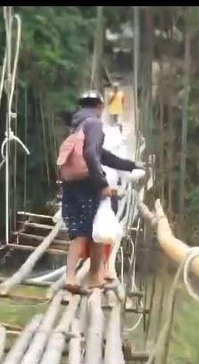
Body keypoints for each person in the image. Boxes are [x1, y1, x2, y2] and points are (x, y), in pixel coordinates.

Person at [60, 90, 141, 290]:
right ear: (100, 106)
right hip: (87, 185)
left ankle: (70, 277)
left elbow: (102, 155)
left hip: (70, 183)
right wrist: (103, 184)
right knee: (94, 230)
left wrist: (130, 165)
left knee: (78, 232)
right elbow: (91, 154)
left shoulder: (78, 125)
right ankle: (94, 277)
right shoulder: (95, 123)